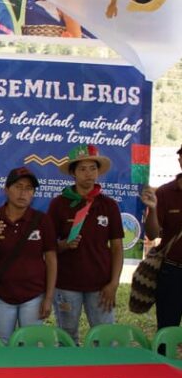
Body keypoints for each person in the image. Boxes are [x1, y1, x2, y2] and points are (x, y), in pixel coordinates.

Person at [48, 145, 124, 344]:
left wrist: (114, 283)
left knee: (105, 338)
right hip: (66, 284)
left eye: (93, 168)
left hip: (101, 285)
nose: (88, 174)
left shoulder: (109, 205)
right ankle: (67, 374)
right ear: (73, 173)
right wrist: (64, 245)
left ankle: (105, 375)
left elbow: (117, 247)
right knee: (67, 337)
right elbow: (47, 247)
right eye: (82, 169)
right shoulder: (59, 204)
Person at [0, 167, 57, 344]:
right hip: (2, 295)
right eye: (18, 186)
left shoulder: (42, 220)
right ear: (6, 190)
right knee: (2, 344)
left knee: (30, 345)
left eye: (29, 188)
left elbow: (51, 260)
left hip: (34, 296)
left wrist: (49, 298)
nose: (23, 193)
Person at [140, 144, 182, 328]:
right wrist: (153, 208)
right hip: (172, 272)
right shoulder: (165, 192)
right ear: (180, 160)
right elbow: (152, 233)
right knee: (167, 328)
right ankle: (163, 358)